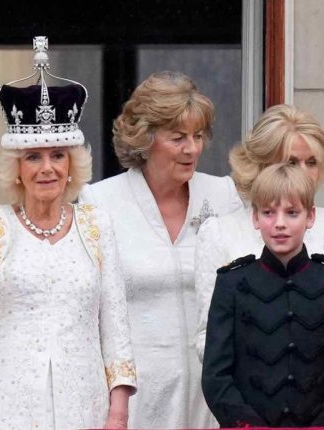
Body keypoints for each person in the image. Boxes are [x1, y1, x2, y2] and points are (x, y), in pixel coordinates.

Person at [0, 37, 136, 429]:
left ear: (72, 163)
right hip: (1, 403)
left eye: (58, 155)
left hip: (83, 405)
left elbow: (116, 327)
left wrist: (119, 412)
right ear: (17, 168)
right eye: (33, 157)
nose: (47, 168)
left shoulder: (96, 224)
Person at [79, 71, 242, 428]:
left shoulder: (224, 195)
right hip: (137, 393)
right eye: (178, 138)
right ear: (145, 139)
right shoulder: (100, 201)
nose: (192, 148)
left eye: (198, 136)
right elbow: (92, 310)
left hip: (212, 392)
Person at [195, 104, 324, 361]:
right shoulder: (220, 233)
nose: (304, 173)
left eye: (312, 162)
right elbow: (207, 338)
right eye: (290, 162)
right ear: (260, 165)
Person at [202, 163, 324, 427]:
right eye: (268, 212)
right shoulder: (231, 284)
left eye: (292, 213)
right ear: (255, 218)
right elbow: (215, 376)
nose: (279, 223)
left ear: (310, 217)